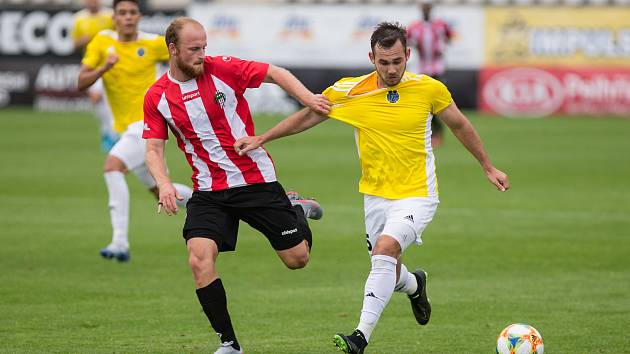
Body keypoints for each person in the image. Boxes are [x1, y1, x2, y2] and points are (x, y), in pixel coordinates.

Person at [234, 22, 510, 353]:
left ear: (407, 55)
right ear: (372, 57)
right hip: (375, 195)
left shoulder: (428, 89)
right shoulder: (350, 91)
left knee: (384, 250)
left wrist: (487, 165)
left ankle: (359, 337)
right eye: (384, 62)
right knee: (387, 270)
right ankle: (414, 285)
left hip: (417, 193)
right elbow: (309, 116)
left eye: (397, 61)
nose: (392, 69)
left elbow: (460, 124)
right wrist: (263, 138)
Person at [142, 18, 330, 354]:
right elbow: (154, 148)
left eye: (204, 47)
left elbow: (276, 72)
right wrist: (164, 183)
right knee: (199, 260)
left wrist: (308, 99)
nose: (202, 54)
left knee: (297, 259)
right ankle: (229, 343)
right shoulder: (157, 96)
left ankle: (296, 208)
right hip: (208, 193)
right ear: (172, 49)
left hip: (255, 180)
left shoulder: (224, 68)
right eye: (193, 49)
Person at [77, 0, 193, 262]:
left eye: (132, 13)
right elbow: (81, 82)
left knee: (112, 167)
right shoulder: (101, 42)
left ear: (139, 16)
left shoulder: (152, 44)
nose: (127, 17)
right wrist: (103, 68)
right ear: (114, 17)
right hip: (124, 129)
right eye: (122, 13)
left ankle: (119, 242)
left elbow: (187, 59)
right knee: (160, 190)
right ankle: (205, 203)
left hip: (148, 123)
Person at [72, 0, 118, 151]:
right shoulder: (79, 19)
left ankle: (112, 133)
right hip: (91, 64)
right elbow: (74, 43)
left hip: (110, 64)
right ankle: (107, 131)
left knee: (109, 101)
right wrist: (82, 41)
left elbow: (119, 36)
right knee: (96, 98)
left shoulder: (109, 16)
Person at [407, 2, 453, 148]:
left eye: (428, 8)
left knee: (439, 103)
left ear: (431, 10)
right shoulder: (415, 26)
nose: (426, 11)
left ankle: (439, 133)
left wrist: (442, 46)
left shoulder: (440, 25)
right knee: (426, 105)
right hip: (422, 69)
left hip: (438, 69)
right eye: (424, 8)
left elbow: (449, 37)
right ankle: (432, 134)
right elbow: (407, 40)